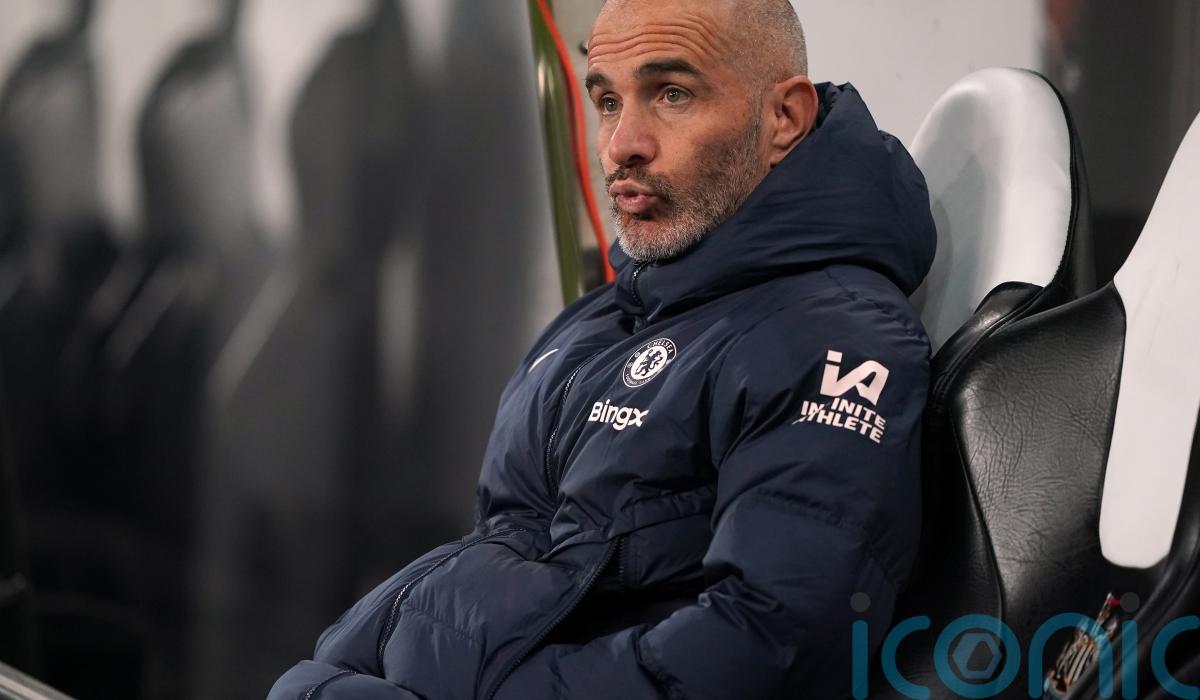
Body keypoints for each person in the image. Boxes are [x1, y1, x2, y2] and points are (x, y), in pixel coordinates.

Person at [269, 0, 935, 697]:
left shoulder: (832, 337)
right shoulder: (609, 316)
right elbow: (509, 557)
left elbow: (772, 643)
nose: (621, 145)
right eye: (608, 101)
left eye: (672, 94)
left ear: (784, 119)